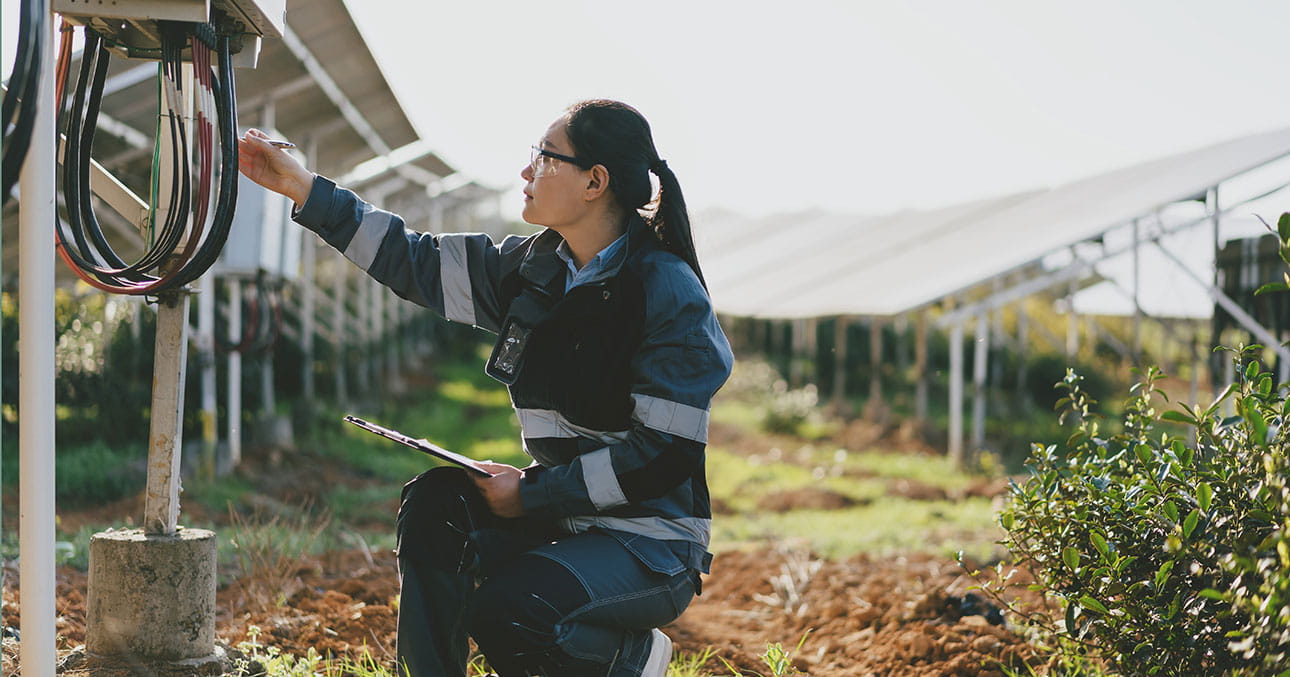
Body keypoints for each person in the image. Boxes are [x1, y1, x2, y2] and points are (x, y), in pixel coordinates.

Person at [237, 99, 734, 677]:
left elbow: (662, 456)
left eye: (544, 158)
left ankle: (627, 658)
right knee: (436, 506)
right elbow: (411, 258)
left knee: (510, 612)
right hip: (565, 516)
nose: (526, 173)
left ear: (595, 181)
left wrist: (534, 494)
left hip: (647, 542)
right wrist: (304, 189)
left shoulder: (665, 292)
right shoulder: (532, 269)